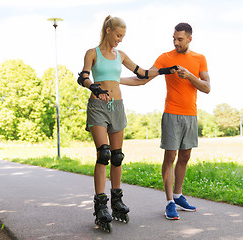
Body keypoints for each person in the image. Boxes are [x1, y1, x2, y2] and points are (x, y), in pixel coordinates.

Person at [77, 15, 178, 230]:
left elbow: (141, 73)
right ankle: (100, 203)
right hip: (97, 106)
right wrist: (92, 86)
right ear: (108, 31)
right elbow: (83, 76)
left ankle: (116, 199)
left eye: (123, 36)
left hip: (118, 106)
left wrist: (163, 71)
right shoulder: (92, 53)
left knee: (117, 156)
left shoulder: (120, 55)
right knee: (103, 153)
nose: (120, 40)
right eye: (118, 35)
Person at [121, 22, 210, 220]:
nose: (176, 42)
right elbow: (143, 78)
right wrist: (116, 80)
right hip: (171, 113)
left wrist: (189, 76)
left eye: (180, 39)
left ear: (189, 39)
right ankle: (169, 201)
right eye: (174, 39)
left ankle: (178, 196)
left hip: (191, 115)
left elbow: (206, 87)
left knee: (185, 157)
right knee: (170, 157)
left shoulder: (199, 58)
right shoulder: (165, 57)